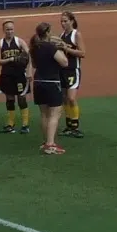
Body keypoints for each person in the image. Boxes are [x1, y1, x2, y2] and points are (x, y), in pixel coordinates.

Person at [30, 22, 71, 155]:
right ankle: (50, 144)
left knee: (44, 114)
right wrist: (62, 48)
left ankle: (45, 141)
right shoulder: (50, 47)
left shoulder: (34, 48)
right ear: (47, 33)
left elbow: (34, 64)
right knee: (55, 114)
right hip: (51, 82)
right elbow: (64, 62)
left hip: (38, 82)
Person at [0, 20, 31, 135]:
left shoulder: (19, 41)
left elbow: (29, 55)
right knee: (10, 99)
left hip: (20, 75)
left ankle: (25, 125)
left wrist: (29, 70)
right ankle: (10, 124)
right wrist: (11, 59)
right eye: (7, 29)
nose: (10, 31)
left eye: (11, 29)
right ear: (3, 30)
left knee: (21, 99)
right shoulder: (0, 43)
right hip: (7, 75)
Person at [59, 10, 85, 138]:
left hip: (73, 70)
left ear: (72, 21)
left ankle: (75, 126)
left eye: (65, 21)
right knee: (64, 98)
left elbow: (82, 53)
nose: (63, 23)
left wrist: (67, 49)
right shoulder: (62, 35)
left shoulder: (76, 34)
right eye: (61, 21)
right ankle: (69, 125)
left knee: (71, 98)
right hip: (63, 70)